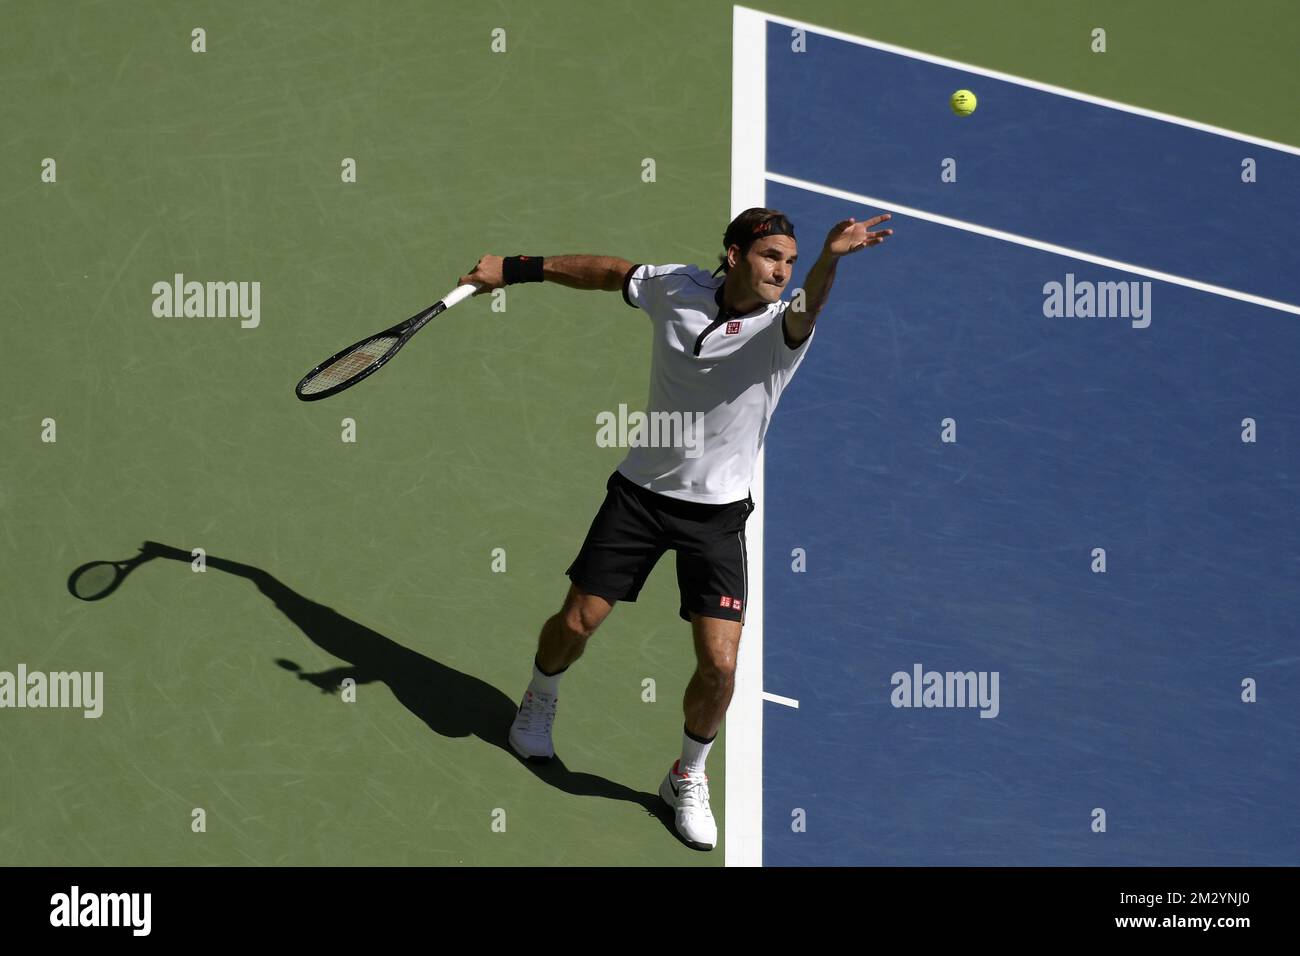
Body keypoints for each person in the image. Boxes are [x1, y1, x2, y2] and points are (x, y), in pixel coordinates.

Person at [458, 208, 893, 850]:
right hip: (639, 495)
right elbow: (611, 274)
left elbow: (809, 305)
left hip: (717, 516)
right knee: (577, 622)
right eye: (772, 256)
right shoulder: (676, 287)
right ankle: (540, 699)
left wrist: (829, 260)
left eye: (790, 261)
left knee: (720, 667)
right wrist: (517, 269)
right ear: (735, 253)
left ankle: (686, 776)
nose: (781, 271)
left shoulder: (783, 327)